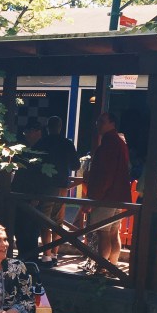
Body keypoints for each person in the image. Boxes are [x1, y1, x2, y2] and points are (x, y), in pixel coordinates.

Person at [84, 112, 131, 273]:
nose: (98, 124)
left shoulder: (109, 143)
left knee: (103, 232)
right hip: (118, 196)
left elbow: (105, 174)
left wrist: (94, 198)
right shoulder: (119, 142)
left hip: (106, 196)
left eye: (102, 121)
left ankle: (101, 268)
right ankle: (113, 265)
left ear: (112, 123)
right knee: (112, 232)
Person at [39, 115, 80, 266]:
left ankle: (46, 254)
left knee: (44, 219)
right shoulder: (67, 144)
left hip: (45, 185)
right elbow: (76, 166)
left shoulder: (42, 142)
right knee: (57, 221)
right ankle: (54, 253)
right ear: (60, 127)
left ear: (48, 127)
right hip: (62, 186)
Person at [11, 121, 48, 264]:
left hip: (33, 195)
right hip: (20, 193)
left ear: (37, 131)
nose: (26, 135)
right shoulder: (23, 149)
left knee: (31, 229)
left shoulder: (43, 149)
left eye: (28, 132)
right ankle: (22, 257)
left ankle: (30, 259)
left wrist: (37, 195)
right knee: (20, 228)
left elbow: (43, 176)